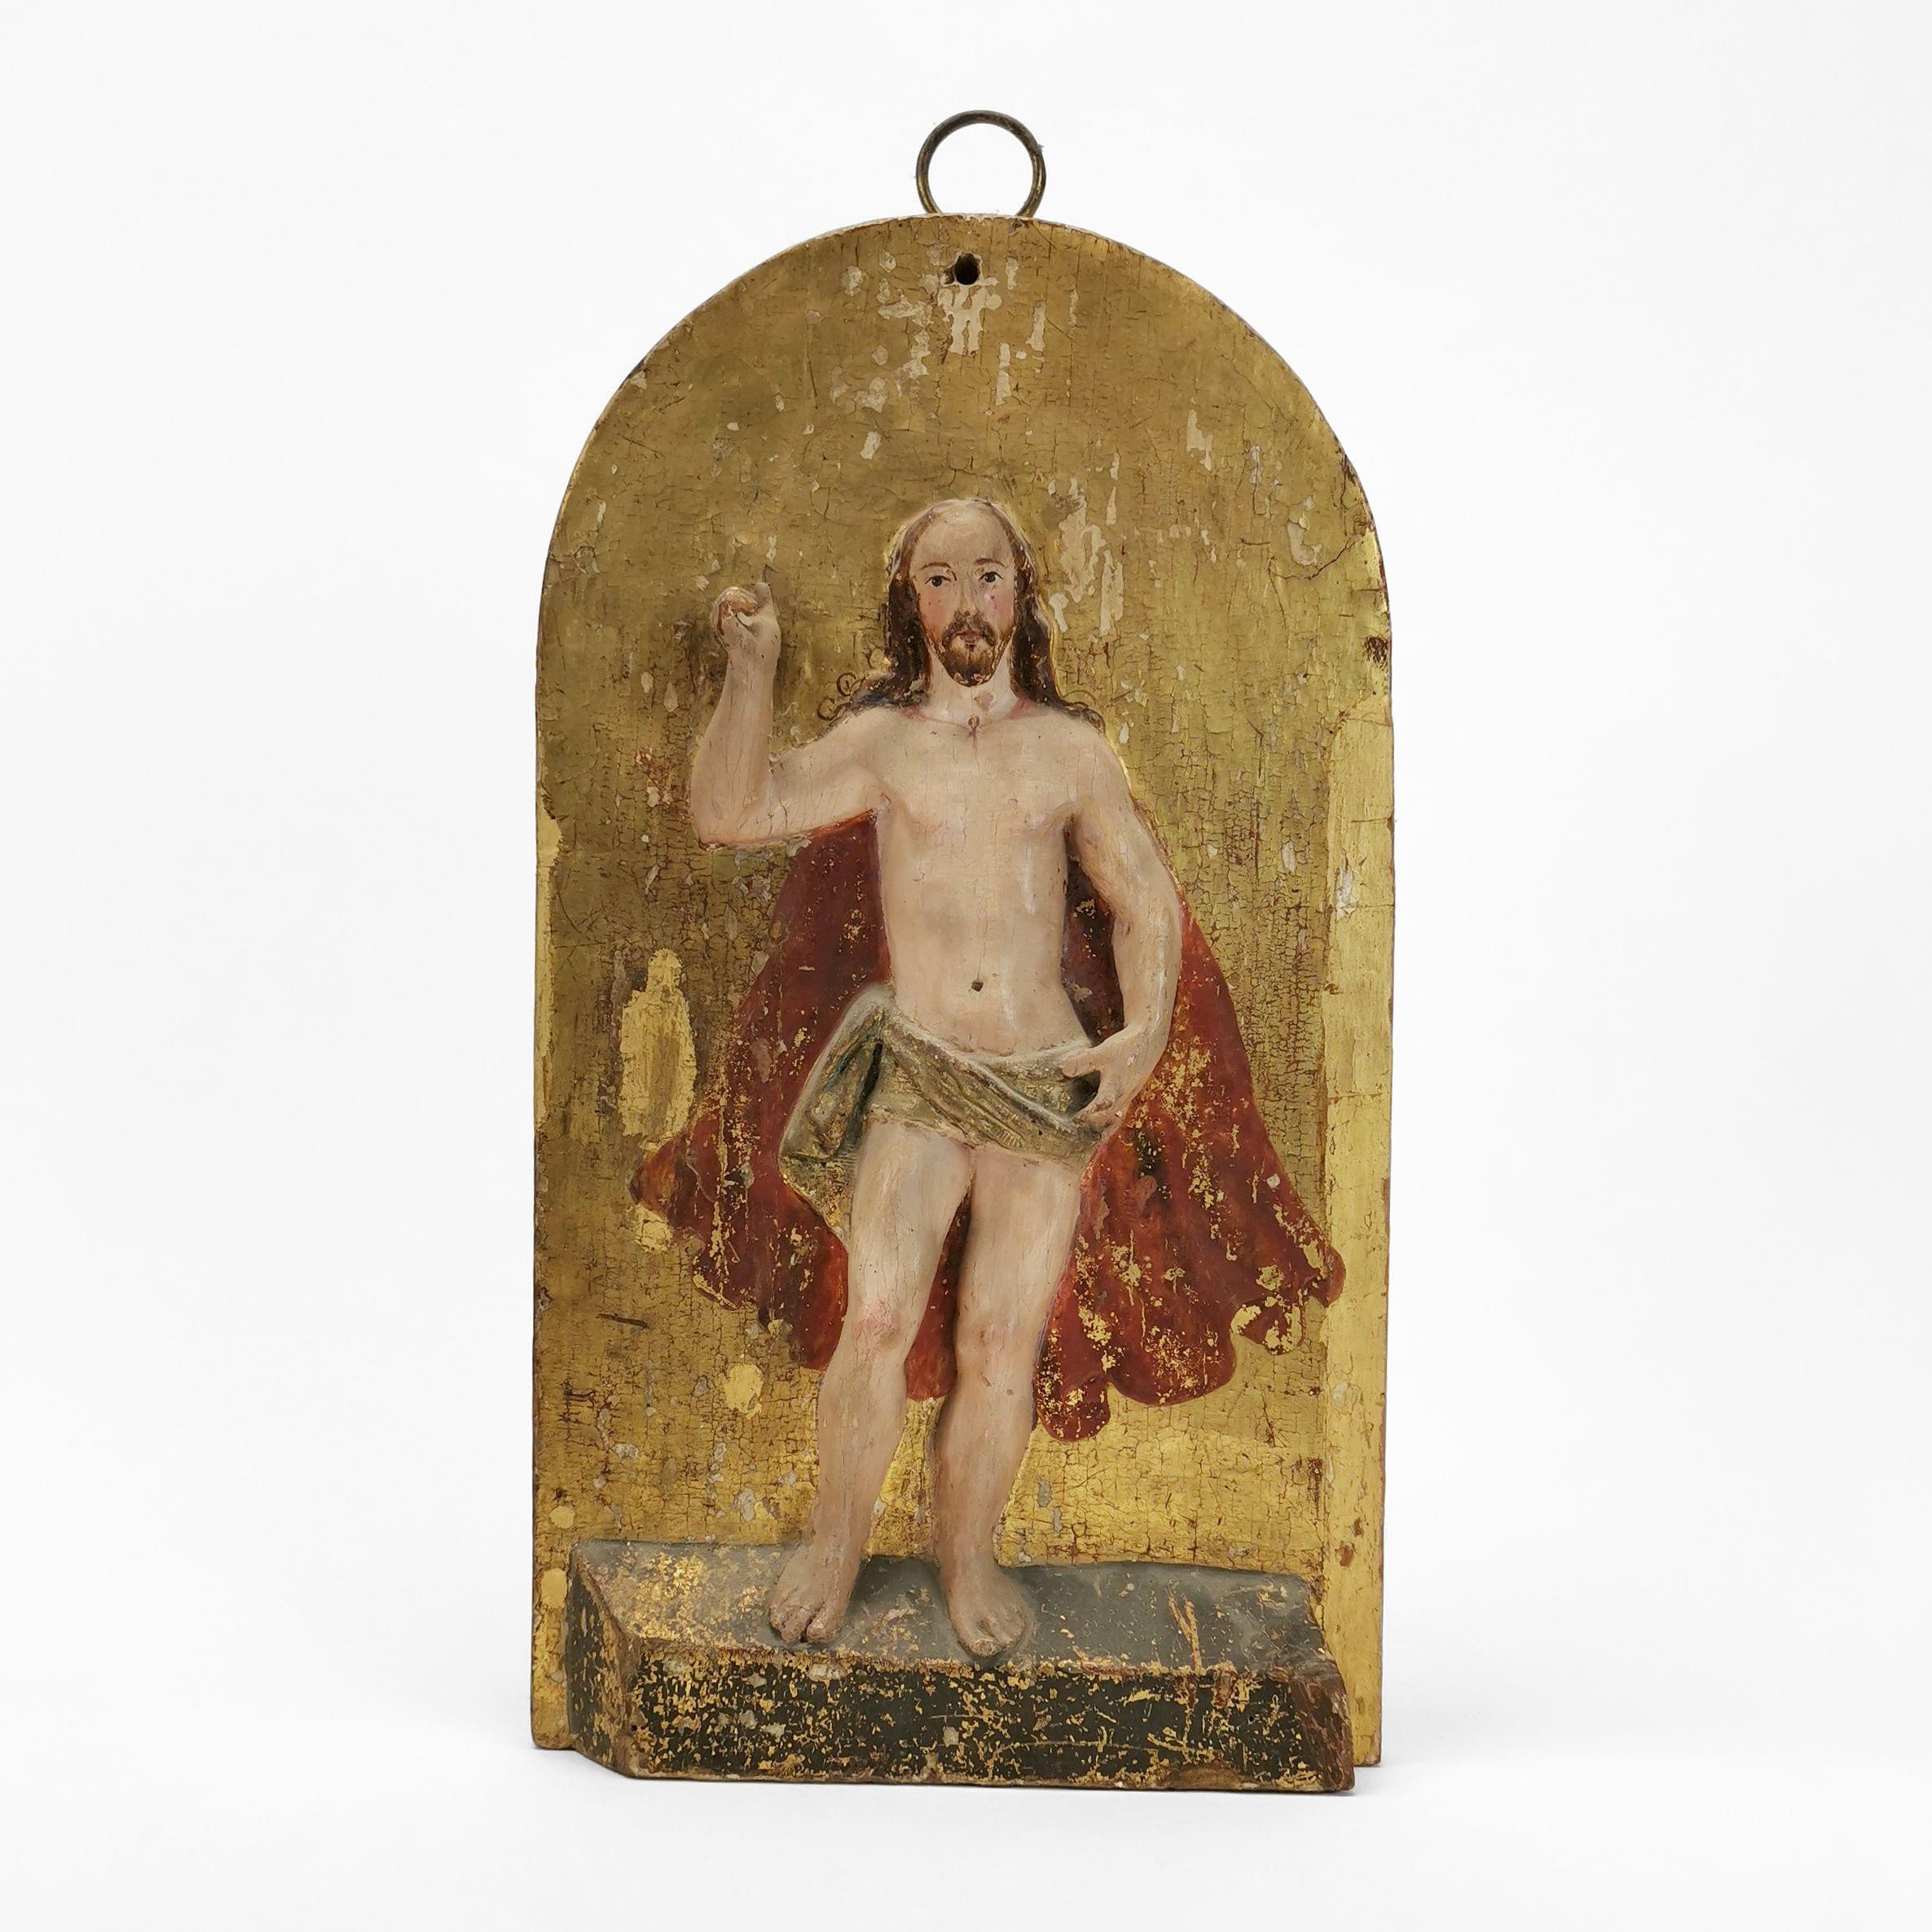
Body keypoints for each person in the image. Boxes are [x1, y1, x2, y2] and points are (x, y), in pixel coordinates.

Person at [644, 497, 1343, 1657]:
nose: (966, 604)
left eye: (987, 577)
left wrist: (1142, 1037)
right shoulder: (886, 744)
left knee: (999, 1343)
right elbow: (731, 810)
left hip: (1038, 1084)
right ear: (909, 602)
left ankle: (967, 1558)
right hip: (920, 1075)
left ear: (1021, 593)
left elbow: (1144, 906)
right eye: (939, 580)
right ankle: (834, 1547)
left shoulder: (1068, 753)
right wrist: (752, 668)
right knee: (876, 1318)